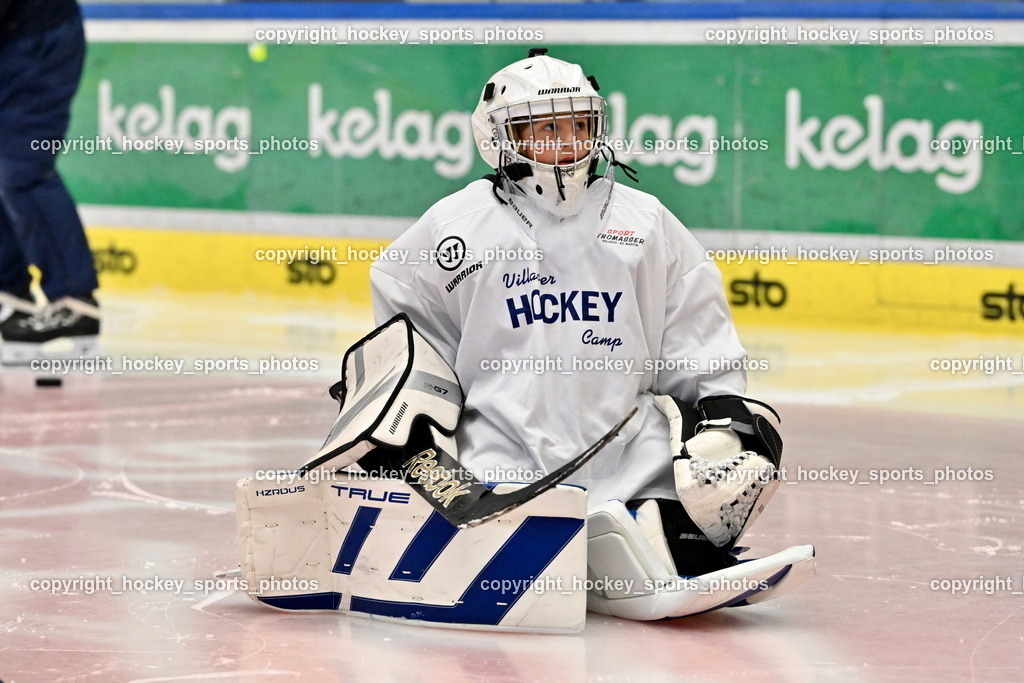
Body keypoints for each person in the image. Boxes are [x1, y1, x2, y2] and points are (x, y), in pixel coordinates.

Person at [368, 49, 809, 617]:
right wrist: (409, 433)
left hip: (630, 456)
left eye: (578, 125)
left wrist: (722, 412)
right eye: (546, 130)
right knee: (491, 531)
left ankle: (666, 538)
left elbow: (696, 330)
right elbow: (405, 327)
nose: (567, 143)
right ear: (498, 138)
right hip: (500, 463)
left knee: (723, 456)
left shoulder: (644, 221)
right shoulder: (453, 228)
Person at [0, 0, 100, 365]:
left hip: (40, 40)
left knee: (22, 168)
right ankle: (11, 298)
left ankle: (75, 301)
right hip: (16, 38)